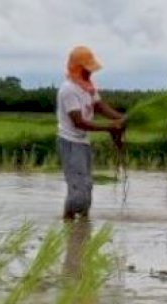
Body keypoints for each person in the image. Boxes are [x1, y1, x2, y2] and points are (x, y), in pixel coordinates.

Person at [56, 45, 126, 221]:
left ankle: (81, 227)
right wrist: (110, 127)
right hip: (70, 143)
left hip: (83, 143)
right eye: (87, 69)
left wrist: (123, 118)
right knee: (78, 188)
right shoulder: (68, 90)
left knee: (86, 186)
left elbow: (99, 107)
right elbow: (78, 122)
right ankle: (69, 223)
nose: (91, 73)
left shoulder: (87, 87)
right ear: (78, 68)